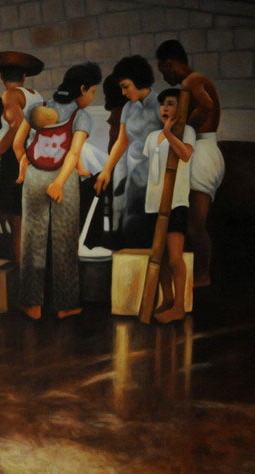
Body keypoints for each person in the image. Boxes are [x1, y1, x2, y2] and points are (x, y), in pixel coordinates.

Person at [14, 62, 102, 320]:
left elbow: (19, 144)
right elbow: (73, 153)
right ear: (83, 88)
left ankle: (32, 305)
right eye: (92, 92)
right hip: (63, 180)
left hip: (34, 177)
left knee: (32, 241)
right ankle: (66, 305)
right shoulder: (81, 116)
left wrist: (26, 164)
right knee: (65, 241)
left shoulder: (37, 109)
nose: (91, 97)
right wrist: (59, 182)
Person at [156, 39, 225, 287]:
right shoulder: (197, 80)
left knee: (196, 225)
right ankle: (199, 274)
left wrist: (182, 127)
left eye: (163, 71)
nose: (164, 77)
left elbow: (205, 106)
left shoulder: (190, 81)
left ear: (170, 64)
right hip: (207, 149)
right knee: (194, 223)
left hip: (202, 152)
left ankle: (202, 275)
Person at [0, 51, 44, 263]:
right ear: (25, 76)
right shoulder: (36, 95)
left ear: (0, 77)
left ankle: (19, 271)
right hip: (36, 156)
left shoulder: (10, 95)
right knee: (31, 218)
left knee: (18, 221)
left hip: (16, 159)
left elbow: (16, 127)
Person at [94, 55, 161, 247]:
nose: (123, 93)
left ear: (138, 80)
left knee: (146, 222)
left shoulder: (160, 105)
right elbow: (121, 141)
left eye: (125, 86)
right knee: (124, 219)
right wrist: (107, 169)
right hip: (127, 169)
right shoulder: (128, 109)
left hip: (150, 173)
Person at [142, 89, 195, 323]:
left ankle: (180, 307)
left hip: (176, 202)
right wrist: (162, 133)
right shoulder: (152, 137)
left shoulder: (187, 131)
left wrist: (168, 133)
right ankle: (168, 299)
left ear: (181, 109)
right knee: (160, 257)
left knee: (174, 258)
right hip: (154, 203)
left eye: (170, 104)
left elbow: (185, 155)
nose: (164, 108)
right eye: (162, 104)